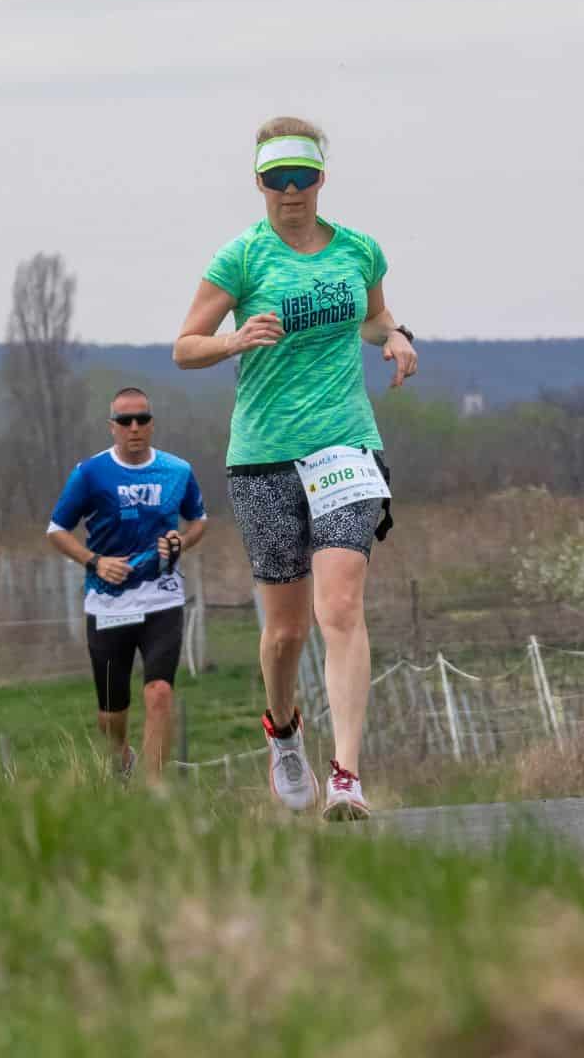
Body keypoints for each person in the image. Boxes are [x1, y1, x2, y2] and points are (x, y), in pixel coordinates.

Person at [172, 116, 418, 821]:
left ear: (320, 179)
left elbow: (371, 318)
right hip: (263, 458)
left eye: (302, 178)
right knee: (286, 633)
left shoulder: (359, 252)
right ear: (258, 183)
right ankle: (283, 730)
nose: (290, 192)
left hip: (345, 445)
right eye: (276, 179)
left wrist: (395, 336)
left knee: (339, 604)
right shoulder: (241, 260)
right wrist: (233, 340)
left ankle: (346, 776)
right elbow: (184, 346)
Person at [45, 387, 208, 781]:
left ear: (152, 424)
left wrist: (181, 542)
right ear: (112, 427)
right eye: (125, 421)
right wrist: (95, 562)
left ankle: (153, 791)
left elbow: (199, 520)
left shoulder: (177, 471)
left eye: (142, 420)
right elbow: (56, 530)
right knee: (110, 714)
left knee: (160, 693)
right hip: (108, 605)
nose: (134, 428)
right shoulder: (90, 473)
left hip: (161, 598)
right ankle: (122, 757)